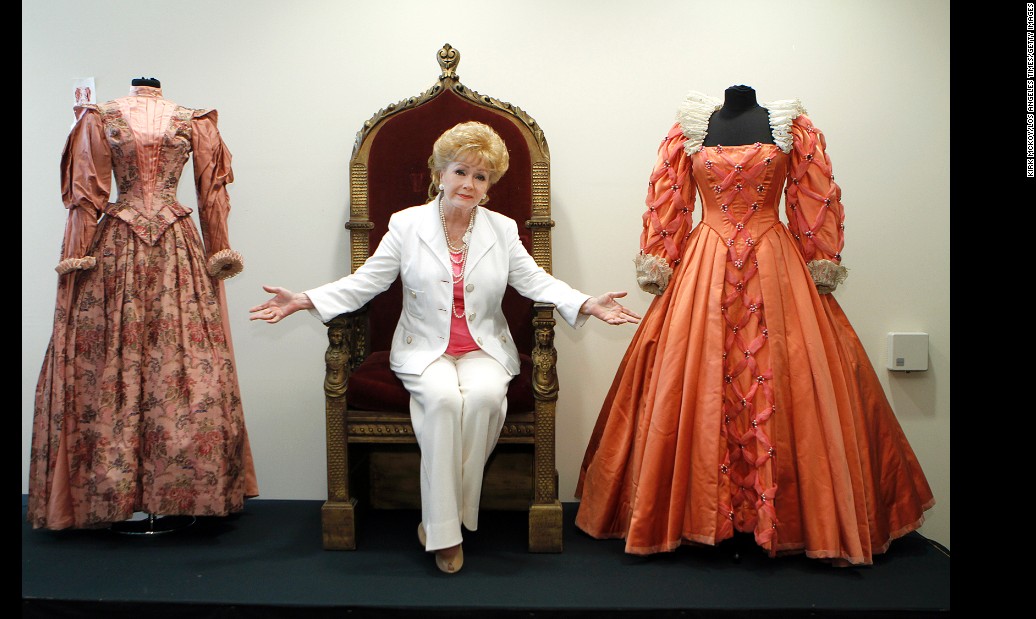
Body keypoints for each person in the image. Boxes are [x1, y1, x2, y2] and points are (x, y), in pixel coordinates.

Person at [251, 121, 641, 573]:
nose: (469, 184)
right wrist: (304, 299)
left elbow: (534, 280)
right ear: (440, 173)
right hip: (424, 349)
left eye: (481, 177)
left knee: (482, 398)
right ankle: (445, 532)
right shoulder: (406, 224)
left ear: (489, 185)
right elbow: (367, 282)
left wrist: (586, 302)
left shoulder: (503, 229)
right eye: (461, 172)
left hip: (484, 349)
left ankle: (446, 517)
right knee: (439, 400)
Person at [573, 88, 934, 566]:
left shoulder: (791, 125)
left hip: (775, 265)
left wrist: (820, 261)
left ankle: (782, 516)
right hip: (704, 265)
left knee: (791, 381)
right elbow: (672, 202)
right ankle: (698, 515)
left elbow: (814, 198)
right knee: (693, 382)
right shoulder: (689, 128)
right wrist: (661, 259)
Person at [28, 80, 259, 530]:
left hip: (173, 250)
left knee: (183, 363)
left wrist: (220, 249)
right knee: (115, 362)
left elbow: (212, 193)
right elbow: (87, 196)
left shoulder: (193, 121)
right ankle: (117, 493)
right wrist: (75, 259)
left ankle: (179, 492)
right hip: (121, 253)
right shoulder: (100, 118)